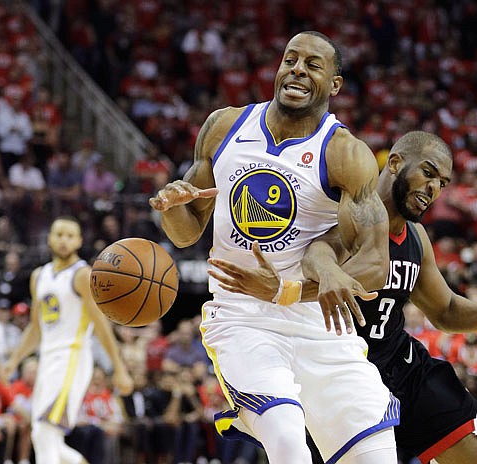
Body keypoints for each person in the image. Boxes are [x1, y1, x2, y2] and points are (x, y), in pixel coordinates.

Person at [207, 131, 477, 464]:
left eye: (442, 183)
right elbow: (319, 255)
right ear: (394, 163)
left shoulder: (417, 237)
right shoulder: (347, 213)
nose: (433, 188)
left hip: (403, 367)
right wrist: (310, 281)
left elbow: (447, 310)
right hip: (337, 370)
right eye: (428, 173)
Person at [149, 31, 400, 464]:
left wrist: (288, 290)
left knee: (376, 457)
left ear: (334, 86)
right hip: (244, 319)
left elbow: (376, 265)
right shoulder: (224, 127)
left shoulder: (345, 154)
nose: (298, 69)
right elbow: (187, 233)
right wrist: (171, 206)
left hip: (321, 325)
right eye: (290, 59)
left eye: (313, 64)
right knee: (286, 440)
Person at [2, 216, 133, 464]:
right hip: (47, 361)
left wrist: (119, 368)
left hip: (72, 358)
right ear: (50, 238)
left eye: (70, 235)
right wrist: (15, 360)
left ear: (79, 241)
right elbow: (35, 328)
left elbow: (100, 323)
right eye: (59, 234)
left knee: (45, 431)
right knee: (45, 437)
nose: (64, 240)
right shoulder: (39, 276)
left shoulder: (82, 274)